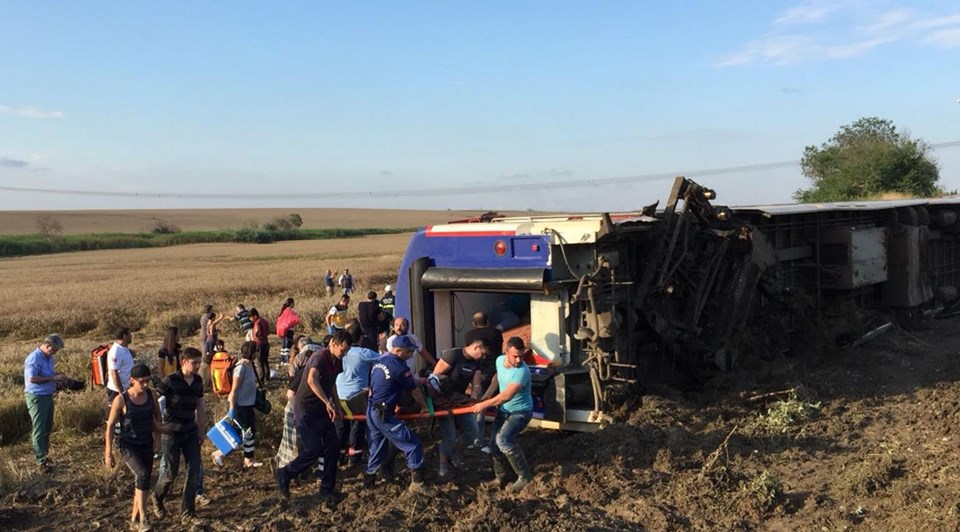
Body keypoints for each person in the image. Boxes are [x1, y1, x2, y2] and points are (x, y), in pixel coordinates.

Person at [275, 330, 353, 506]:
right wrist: (327, 402)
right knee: (314, 449)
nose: (344, 354)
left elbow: (332, 384)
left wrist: (338, 406)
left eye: (347, 351)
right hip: (306, 409)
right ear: (333, 343)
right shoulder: (319, 357)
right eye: (343, 350)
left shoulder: (337, 361)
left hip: (322, 410)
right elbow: (311, 380)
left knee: (333, 447)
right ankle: (285, 473)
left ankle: (327, 489)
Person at [363, 335, 434, 495]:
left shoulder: (379, 362)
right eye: (408, 352)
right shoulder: (400, 367)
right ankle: (418, 482)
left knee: (377, 447)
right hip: (383, 414)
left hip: (372, 410)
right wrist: (424, 407)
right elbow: (414, 392)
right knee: (413, 443)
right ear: (398, 350)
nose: (410, 355)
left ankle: (368, 481)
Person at [152, 348, 208, 522]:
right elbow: (154, 397)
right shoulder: (171, 380)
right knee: (170, 473)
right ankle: (157, 497)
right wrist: (157, 424)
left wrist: (201, 429)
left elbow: (200, 405)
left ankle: (188, 513)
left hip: (190, 432)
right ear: (184, 362)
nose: (198, 365)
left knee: (194, 471)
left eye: (199, 362)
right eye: (194, 362)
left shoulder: (198, 380)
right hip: (172, 433)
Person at [472, 337, 534, 492]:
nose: (519, 360)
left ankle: (525, 477)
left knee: (503, 440)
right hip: (504, 411)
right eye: (515, 356)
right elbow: (497, 379)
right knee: (493, 446)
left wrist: (484, 405)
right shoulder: (499, 361)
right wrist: (487, 396)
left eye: (521, 356)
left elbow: (506, 396)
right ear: (506, 352)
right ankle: (501, 477)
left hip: (521, 412)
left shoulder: (522, 372)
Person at [105, 363, 161, 532]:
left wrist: (158, 438)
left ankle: (133, 521)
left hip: (146, 443)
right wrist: (108, 453)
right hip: (128, 444)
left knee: (143, 480)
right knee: (142, 474)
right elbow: (110, 426)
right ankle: (144, 518)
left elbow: (157, 417)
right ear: (131, 380)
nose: (145, 385)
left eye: (147, 381)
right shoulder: (121, 399)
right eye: (141, 382)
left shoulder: (151, 395)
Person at [427, 336, 492, 477]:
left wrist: (474, 396)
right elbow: (434, 378)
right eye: (484, 353)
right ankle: (443, 466)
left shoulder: (477, 362)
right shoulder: (453, 355)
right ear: (476, 347)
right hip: (443, 401)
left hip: (460, 400)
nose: (484, 357)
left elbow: (476, 383)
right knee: (449, 436)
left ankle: (454, 454)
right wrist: (439, 401)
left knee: (473, 432)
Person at [336, 320, 381, 465]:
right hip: (356, 397)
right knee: (357, 425)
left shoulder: (338, 352)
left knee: (341, 427)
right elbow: (384, 359)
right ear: (360, 338)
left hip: (338, 396)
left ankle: (338, 456)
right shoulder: (364, 353)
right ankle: (354, 458)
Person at [23, 333, 67, 468]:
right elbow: (32, 379)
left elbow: (47, 375)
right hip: (37, 398)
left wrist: (58, 376)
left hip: (47, 396)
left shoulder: (49, 358)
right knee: (39, 429)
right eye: (54, 350)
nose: (54, 353)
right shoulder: (34, 358)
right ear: (48, 346)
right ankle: (40, 460)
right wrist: (53, 379)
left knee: (47, 427)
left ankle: (45, 455)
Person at [215, 341, 262, 468]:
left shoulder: (250, 365)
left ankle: (220, 453)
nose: (258, 352)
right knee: (248, 432)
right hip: (240, 406)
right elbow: (234, 389)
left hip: (247, 405)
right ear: (252, 351)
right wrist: (232, 408)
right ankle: (248, 460)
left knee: (240, 433)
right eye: (257, 350)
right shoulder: (241, 367)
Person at [465, 312, 504, 439]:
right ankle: (500, 433)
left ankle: (478, 437)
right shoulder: (496, 333)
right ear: (487, 322)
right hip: (496, 370)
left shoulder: (468, 335)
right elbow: (500, 350)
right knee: (501, 401)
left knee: (479, 405)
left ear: (473, 323)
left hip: (479, 372)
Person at [107, 327, 135, 404]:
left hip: (127, 388)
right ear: (124, 336)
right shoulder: (116, 351)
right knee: (115, 413)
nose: (131, 336)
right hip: (116, 390)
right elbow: (114, 373)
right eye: (130, 334)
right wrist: (121, 392)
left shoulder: (124, 348)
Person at [276, 298, 299, 376]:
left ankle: (282, 359)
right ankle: (286, 360)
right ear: (291, 303)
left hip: (283, 330)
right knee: (288, 345)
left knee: (284, 345)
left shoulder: (284, 311)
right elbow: (294, 320)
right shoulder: (290, 311)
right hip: (289, 330)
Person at [250, 308, 270, 381]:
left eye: (251, 318)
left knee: (259, 362)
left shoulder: (257, 323)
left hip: (259, 343)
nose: (251, 320)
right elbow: (268, 332)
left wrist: (256, 335)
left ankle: (260, 379)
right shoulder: (264, 321)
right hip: (266, 342)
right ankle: (267, 377)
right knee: (265, 361)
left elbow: (257, 332)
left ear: (255, 316)